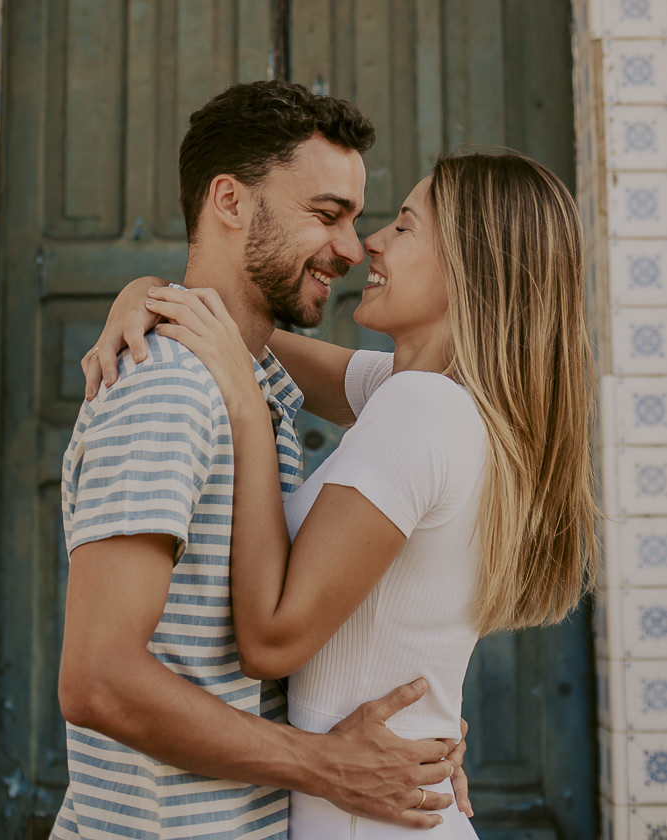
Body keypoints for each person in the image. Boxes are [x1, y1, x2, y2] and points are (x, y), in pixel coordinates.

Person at [88, 149, 598, 839]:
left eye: (406, 227)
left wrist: (246, 411)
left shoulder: (420, 409)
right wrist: (147, 292)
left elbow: (269, 642)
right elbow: (239, 337)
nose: (369, 246)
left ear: (471, 272)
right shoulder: (433, 398)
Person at [52, 80, 468, 840]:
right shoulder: (167, 391)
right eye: (326, 215)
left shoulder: (257, 384)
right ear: (230, 202)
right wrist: (326, 764)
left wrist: (415, 735)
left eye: (363, 220)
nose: (352, 247)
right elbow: (98, 681)